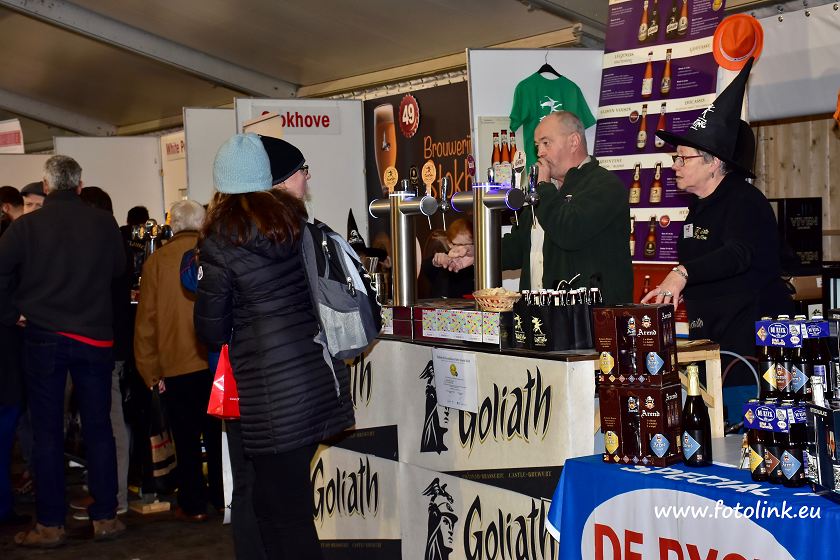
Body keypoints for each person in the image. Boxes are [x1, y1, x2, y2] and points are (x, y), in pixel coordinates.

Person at [195, 133, 354, 560]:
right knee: (278, 507)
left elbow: (211, 329)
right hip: (317, 378)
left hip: (271, 395)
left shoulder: (220, 242)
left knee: (284, 516)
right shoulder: (298, 226)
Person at [0, 155, 126, 547]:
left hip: (44, 335)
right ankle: (105, 517)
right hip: (94, 335)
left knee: (47, 431)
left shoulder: (26, 227)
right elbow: (118, 269)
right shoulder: (103, 223)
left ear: (46, 186)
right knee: (99, 428)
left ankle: (51, 524)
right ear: (80, 184)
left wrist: (12, 314)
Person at [642, 58, 793, 362]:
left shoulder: (744, 200)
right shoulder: (698, 207)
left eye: (684, 158)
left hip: (752, 344)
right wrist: (676, 288)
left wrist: (682, 274)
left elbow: (738, 254)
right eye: (675, 158)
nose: (675, 165)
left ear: (713, 163)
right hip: (709, 337)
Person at [134, 199, 223, 522]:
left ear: (172, 226)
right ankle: (222, 497)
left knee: (185, 439)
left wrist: (150, 370)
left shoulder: (156, 262)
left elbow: (147, 322)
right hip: (213, 361)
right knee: (216, 436)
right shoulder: (214, 254)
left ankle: (193, 504)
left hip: (175, 365)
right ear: (202, 224)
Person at [493, 111, 632, 303]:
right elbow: (518, 247)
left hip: (590, 316)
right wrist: (476, 252)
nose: (540, 153)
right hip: (538, 313)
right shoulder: (544, 191)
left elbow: (568, 232)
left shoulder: (605, 185)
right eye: (537, 146)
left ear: (574, 141)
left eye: (546, 143)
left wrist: (543, 187)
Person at [72, 186, 132, 519]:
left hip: (107, 347)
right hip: (109, 345)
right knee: (107, 422)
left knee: (111, 424)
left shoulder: (108, 245)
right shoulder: (114, 243)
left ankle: (115, 496)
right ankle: (108, 490)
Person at [424, 218, 475, 298]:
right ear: (449, 244)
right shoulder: (445, 259)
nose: (462, 249)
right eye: (458, 245)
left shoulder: (479, 261)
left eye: (466, 245)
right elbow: (425, 268)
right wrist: (436, 261)